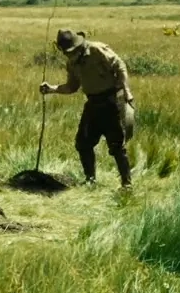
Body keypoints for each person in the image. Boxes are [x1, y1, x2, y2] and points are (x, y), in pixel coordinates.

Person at [41, 28, 135, 187]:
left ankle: (127, 184)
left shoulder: (97, 50)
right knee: (83, 143)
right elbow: (72, 87)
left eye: (71, 51)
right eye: (66, 52)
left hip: (111, 102)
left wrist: (126, 90)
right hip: (93, 104)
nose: (68, 55)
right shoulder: (72, 63)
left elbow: (120, 67)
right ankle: (90, 179)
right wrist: (51, 89)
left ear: (79, 46)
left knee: (116, 146)